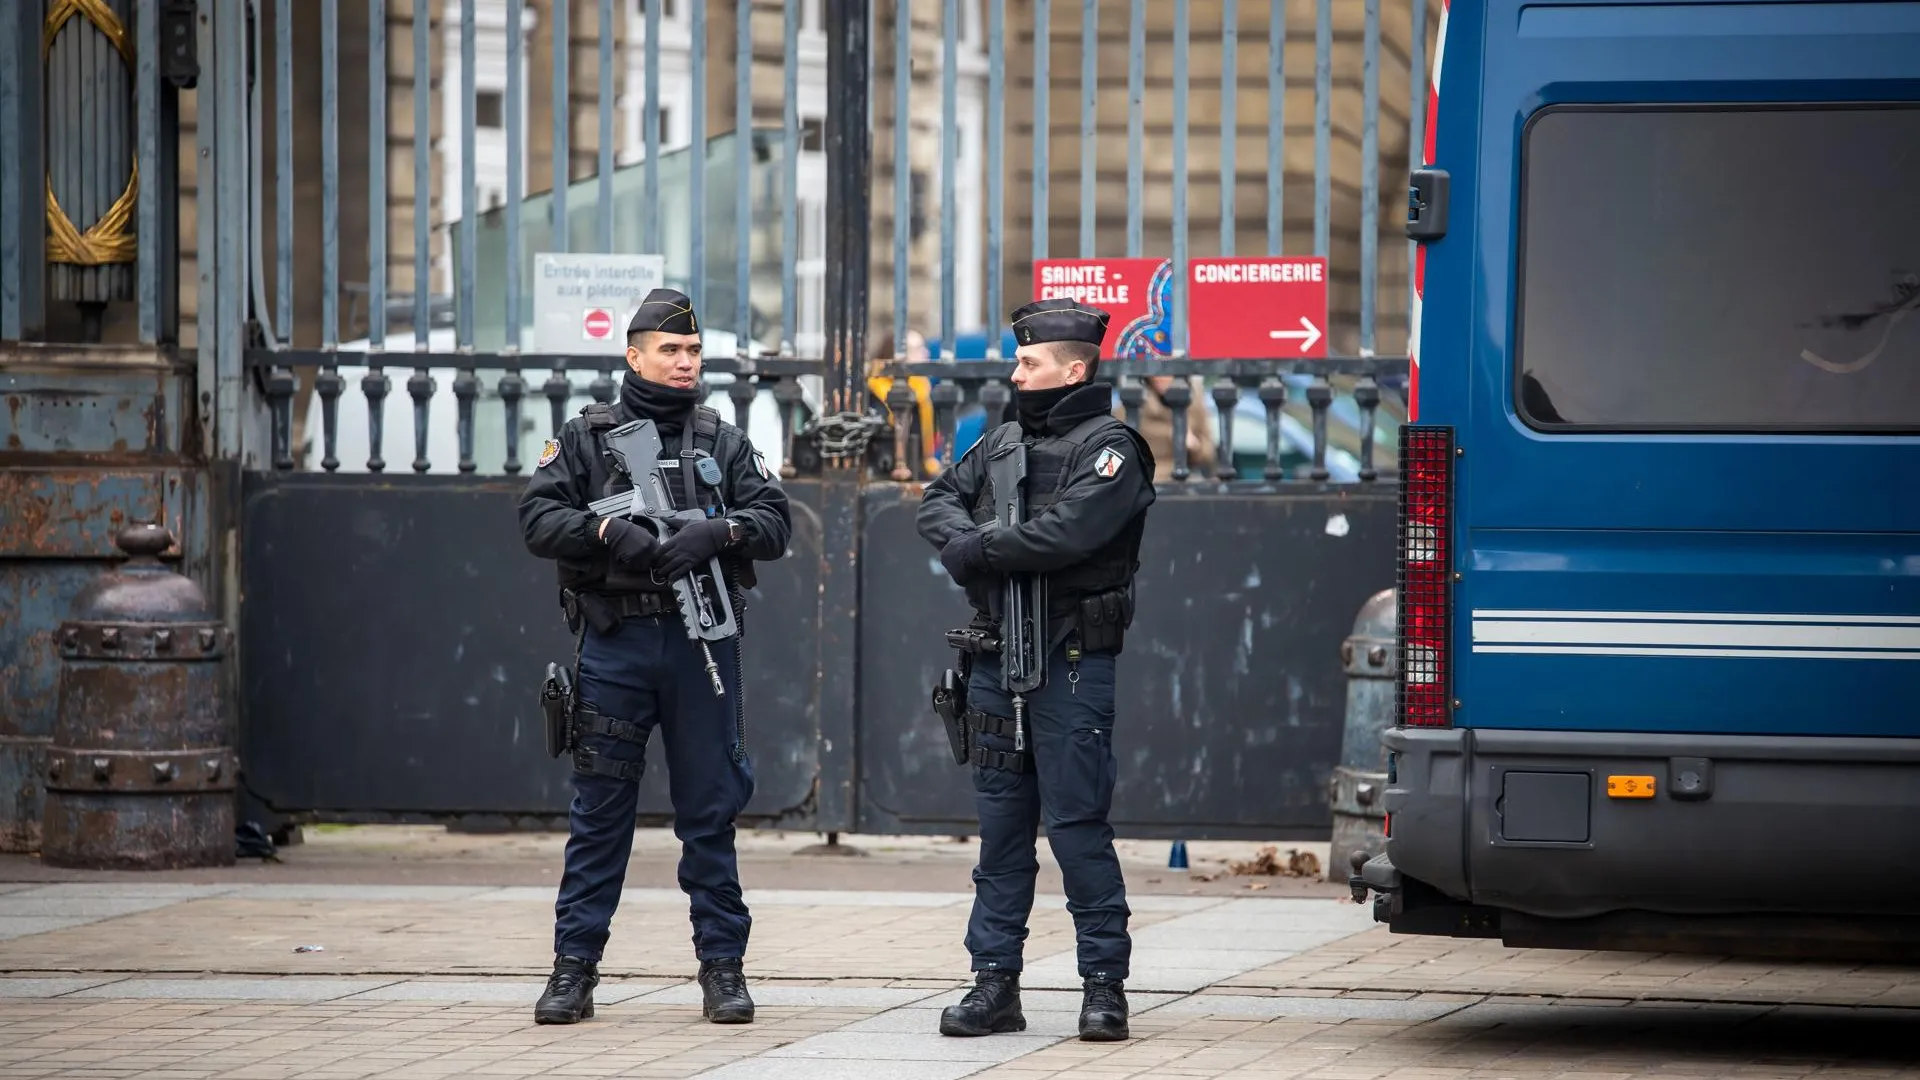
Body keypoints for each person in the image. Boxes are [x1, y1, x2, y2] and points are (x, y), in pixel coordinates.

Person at [517, 288, 793, 1027]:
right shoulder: (586, 438)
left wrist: (719, 533)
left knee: (710, 810)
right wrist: (607, 536)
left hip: (703, 642)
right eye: (670, 350)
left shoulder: (722, 440)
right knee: (600, 813)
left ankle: (723, 969)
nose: (684, 362)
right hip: (618, 644)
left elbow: (775, 519)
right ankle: (573, 970)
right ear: (634, 355)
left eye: (694, 352)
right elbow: (538, 517)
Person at [915, 297, 1157, 1043]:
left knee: (1078, 824)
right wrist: (969, 541)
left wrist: (978, 549)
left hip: (1071, 658)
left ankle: (1103, 986)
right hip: (994, 655)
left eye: (1029, 360)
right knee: (1000, 832)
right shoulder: (1000, 442)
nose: (1015, 370)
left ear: (1074, 367)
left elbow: (1070, 532)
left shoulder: (1112, 445)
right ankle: (994, 984)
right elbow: (936, 502)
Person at [1120, 375, 1218, 482]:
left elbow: (1208, 453)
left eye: (1167, 373)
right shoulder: (1132, 405)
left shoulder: (1194, 404)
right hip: (1147, 480)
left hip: (1185, 478)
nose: (1159, 377)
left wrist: (1193, 445)